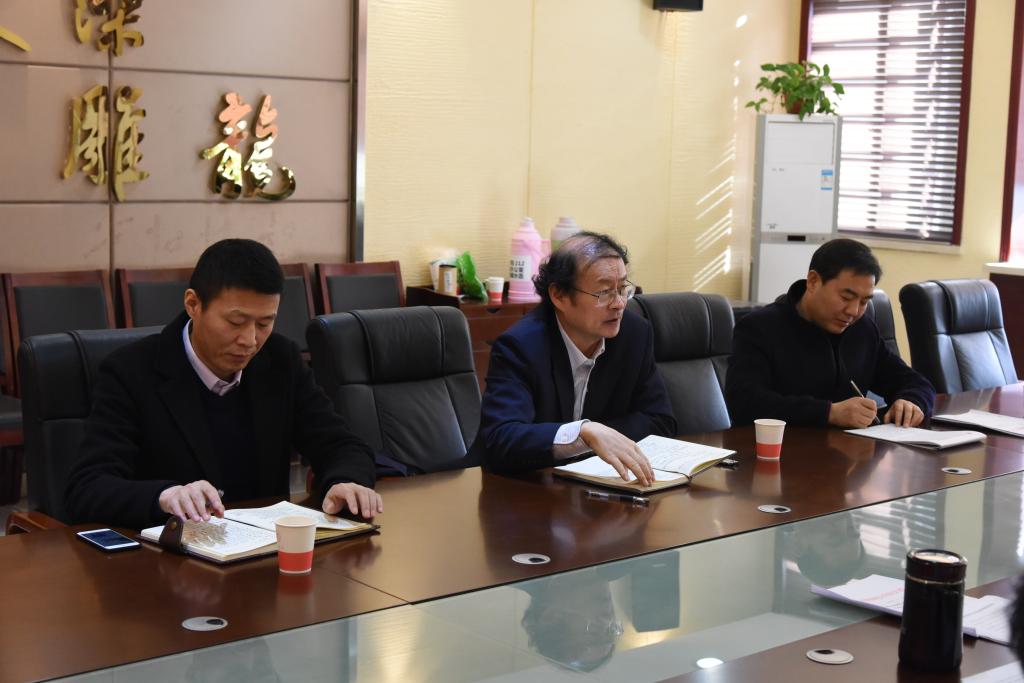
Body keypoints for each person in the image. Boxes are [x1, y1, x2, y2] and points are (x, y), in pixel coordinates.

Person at [64, 239, 382, 529]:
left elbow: (341, 445)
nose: (250, 340)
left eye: (264, 323)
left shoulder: (280, 361)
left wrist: (345, 481)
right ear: (193, 304)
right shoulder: (130, 372)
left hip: (262, 556)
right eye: (235, 322)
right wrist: (164, 496)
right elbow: (87, 488)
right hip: (167, 560)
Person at [473, 232, 676, 484]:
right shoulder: (521, 346)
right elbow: (501, 437)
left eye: (623, 288)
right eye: (604, 292)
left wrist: (600, 437)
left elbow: (660, 421)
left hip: (599, 487)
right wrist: (582, 433)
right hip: (526, 489)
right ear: (559, 296)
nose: (619, 304)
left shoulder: (635, 334)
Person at [726, 238, 935, 428]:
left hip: (849, 452)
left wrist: (911, 401)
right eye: (846, 297)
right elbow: (745, 403)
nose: (854, 311)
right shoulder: (760, 328)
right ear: (813, 281)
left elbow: (915, 382)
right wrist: (828, 413)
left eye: (864, 301)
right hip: (779, 452)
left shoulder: (862, 329)